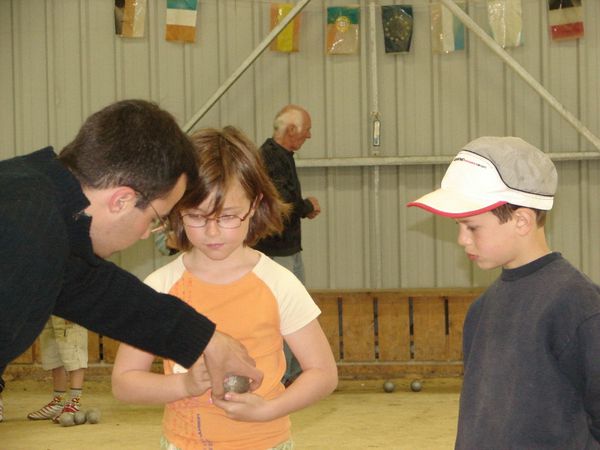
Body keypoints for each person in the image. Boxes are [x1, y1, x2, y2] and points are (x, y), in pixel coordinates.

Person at [0, 99, 263, 413]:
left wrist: (207, 340)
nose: (144, 234)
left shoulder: (43, 212)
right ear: (122, 201)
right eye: (154, 218)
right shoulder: (25, 222)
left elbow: (100, 292)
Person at [111, 126, 338, 450]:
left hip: (265, 443)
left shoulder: (278, 283)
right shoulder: (161, 288)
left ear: (255, 205)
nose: (213, 232)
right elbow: (124, 383)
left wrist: (269, 410)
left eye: (229, 216)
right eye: (198, 217)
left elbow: (323, 373)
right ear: (177, 209)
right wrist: (184, 385)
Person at [407, 136, 600, 449]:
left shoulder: (578, 305)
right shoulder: (483, 309)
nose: (461, 239)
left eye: (472, 227)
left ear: (521, 220)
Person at [254, 104, 321, 386]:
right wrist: (307, 206)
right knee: (283, 315)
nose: (309, 137)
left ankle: (291, 374)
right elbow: (279, 206)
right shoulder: (270, 159)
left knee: (295, 311)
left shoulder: (283, 156)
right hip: (276, 252)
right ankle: (280, 376)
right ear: (291, 130)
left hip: (289, 249)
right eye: (306, 131)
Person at [26, 317, 88, 422]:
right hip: (50, 305)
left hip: (69, 303)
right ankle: (58, 402)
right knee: (52, 345)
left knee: (73, 344)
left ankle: (74, 402)